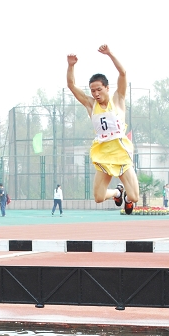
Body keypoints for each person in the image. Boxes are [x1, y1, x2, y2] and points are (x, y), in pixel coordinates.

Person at [66, 44, 139, 214]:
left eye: (99, 89)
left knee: (134, 197)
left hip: (120, 151)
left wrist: (110, 54)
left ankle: (127, 198)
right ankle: (117, 193)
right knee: (98, 197)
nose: (96, 94)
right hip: (103, 153)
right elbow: (71, 85)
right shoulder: (91, 104)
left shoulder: (118, 99)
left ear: (107, 88)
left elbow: (123, 73)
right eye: (93, 91)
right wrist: (71, 66)